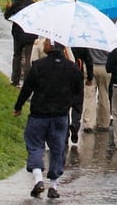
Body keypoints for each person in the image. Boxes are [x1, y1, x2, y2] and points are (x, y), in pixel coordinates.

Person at [13, 38, 83, 200]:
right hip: (60, 116)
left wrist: (18, 107)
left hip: (39, 114)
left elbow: (27, 88)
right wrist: (75, 113)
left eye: (45, 42)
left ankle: (38, 179)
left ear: (50, 46)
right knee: (58, 149)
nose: (42, 44)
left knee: (35, 145)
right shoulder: (71, 68)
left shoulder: (38, 66)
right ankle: (53, 185)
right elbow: (78, 91)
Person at [6, 0, 39, 86]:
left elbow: (7, 17)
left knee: (17, 56)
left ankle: (15, 80)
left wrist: (8, 8)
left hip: (18, 34)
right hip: (31, 35)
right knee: (28, 58)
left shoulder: (17, 5)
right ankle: (27, 81)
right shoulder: (35, 5)